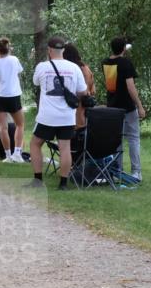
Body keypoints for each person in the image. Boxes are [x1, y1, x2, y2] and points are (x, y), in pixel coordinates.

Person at [28, 36, 88, 190]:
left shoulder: (42, 67)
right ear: (63, 50)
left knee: (35, 144)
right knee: (65, 148)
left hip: (47, 117)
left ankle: (37, 180)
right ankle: (63, 184)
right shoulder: (74, 68)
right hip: (67, 116)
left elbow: (35, 82)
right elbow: (82, 91)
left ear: (49, 50)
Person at [101, 37, 145, 181]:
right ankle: (136, 171)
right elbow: (130, 87)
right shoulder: (125, 63)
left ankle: (116, 170)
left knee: (117, 139)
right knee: (133, 138)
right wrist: (139, 105)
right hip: (127, 106)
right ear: (124, 49)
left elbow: (111, 85)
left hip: (112, 106)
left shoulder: (106, 63)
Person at [0, 37, 26, 163]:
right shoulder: (14, 59)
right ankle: (17, 153)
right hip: (13, 95)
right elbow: (19, 72)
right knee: (20, 125)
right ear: (8, 48)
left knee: (2, 127)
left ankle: (8, 156)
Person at [62, 43, 94, 129]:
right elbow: (93, 90)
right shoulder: (84, 68)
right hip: (78, 110)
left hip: (78, 109)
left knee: (76, 136)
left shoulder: (79, 69)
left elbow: (84, 91)